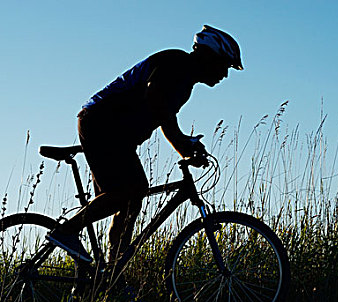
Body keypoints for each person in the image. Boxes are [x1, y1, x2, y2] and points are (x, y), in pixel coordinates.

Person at [46, 25, 243, 266]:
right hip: (101, 123)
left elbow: (166, 119)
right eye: (225, 65)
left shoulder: (184, 83)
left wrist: (185, 147)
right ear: (210, 56)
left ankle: (110, 275)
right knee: (131, 190)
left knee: (128, 202)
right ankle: (66, 231)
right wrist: (183, 142)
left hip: (112, 131)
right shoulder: (177, 62)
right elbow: (156, 99)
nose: (225, 74)